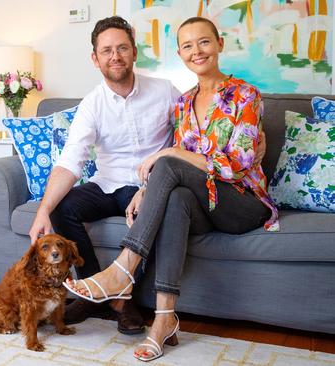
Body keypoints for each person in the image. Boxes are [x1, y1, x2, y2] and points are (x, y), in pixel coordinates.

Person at [63, 17, 279, 362]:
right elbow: (178, 174)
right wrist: (146, 190)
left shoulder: (245, 96)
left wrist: (172, 153)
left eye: (204, 42)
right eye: (188, 46)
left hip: (241, 203)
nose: (198, 51)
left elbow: (236, 165)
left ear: (219, 44)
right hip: (202, 203)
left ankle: (123, 269)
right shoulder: (181, 104)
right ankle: (165, 320)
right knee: (175, 197)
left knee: (167, 162)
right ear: (180, 53)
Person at [28, 16, 181, 334]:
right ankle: (97, 289)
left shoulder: (165, 91)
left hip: (145, 187)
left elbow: (188, 141)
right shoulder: (92, 105)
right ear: (95, 59)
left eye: (122, 48)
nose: (116, 56)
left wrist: (153, 182)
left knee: (155, 208)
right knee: (61, 205)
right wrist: (43, 210)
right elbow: (70, 161)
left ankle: (125, 301)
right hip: (107, 183)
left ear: (134, 52)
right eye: (107, 50)